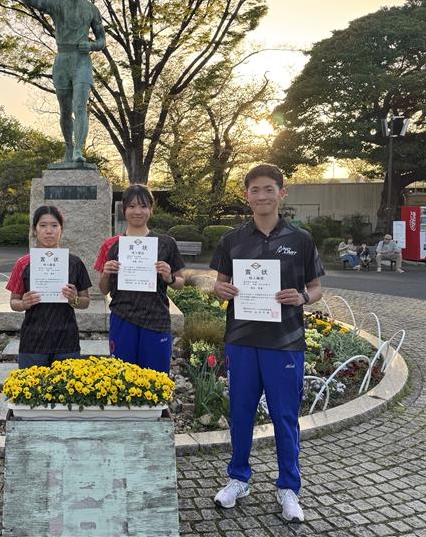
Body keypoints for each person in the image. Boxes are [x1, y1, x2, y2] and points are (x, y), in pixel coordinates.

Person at [210, 164, 324, 524]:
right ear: (247, 196)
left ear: (281, 193)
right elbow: (219, 284)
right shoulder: (232, 240)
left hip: (285, 342)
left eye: (268, 189)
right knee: (240, 413)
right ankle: (238, 478)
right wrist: (220, 289)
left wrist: (302, 297)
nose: (262, 196)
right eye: (255, 190)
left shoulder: (300, 239)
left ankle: (288, 487)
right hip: (242, 340)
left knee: (285, 417)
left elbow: (317, 289)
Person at [10, 0, 106, 164]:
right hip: (62, 60)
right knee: (65, 110)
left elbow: (102, 39)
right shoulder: (56, 4)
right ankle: (69, 148)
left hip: (82, 61)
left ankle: (79, 150)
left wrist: (92, 45)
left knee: (80, 106)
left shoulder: (91, 9)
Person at [94, 184, 186, 374]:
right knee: (122, 378)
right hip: (123, 318)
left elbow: (180, 282)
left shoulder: (166, 243)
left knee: (155, 378)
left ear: (151, 209)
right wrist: (106, 273)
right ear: (124, 209)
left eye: (143, 206)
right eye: (132, 206)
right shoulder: (112, 244)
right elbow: (103, 289)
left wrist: (169, 277)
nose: (137, 211)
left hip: (156, 319)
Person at [7, 206, 92, 369]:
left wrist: (73, 299)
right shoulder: (23, 263)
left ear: (61, 229)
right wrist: (23, 303)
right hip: (33, 340)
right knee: (31, 385)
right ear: (34, 230)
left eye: (54, 225)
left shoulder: (74, 263)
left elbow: (85, 301)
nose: (49, 231)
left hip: (66, 339)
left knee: (66, 385)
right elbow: (13, 303)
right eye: (43, 225)